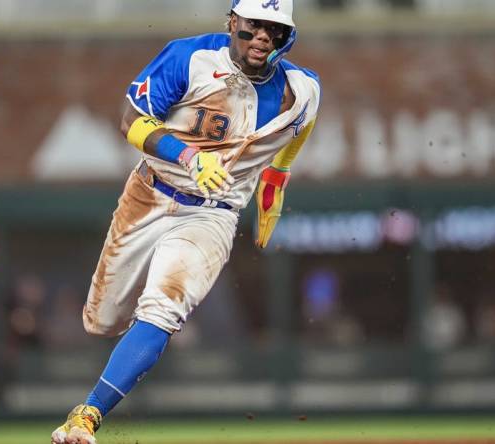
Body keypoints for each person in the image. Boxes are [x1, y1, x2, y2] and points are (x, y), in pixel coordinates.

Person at [52, 0, 320, 442]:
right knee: (101, 321)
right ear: (233, 22)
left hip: (212, 213)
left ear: (286, 34)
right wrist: (188, 156)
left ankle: (87, 415)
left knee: (163, 307)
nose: (261, 39)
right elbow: (131, 122)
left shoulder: (303, 89)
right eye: (253, 27)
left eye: (273, 30)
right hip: (150, 192)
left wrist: (276, 179)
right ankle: (113, 358)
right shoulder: (191, 58)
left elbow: (298, 132)